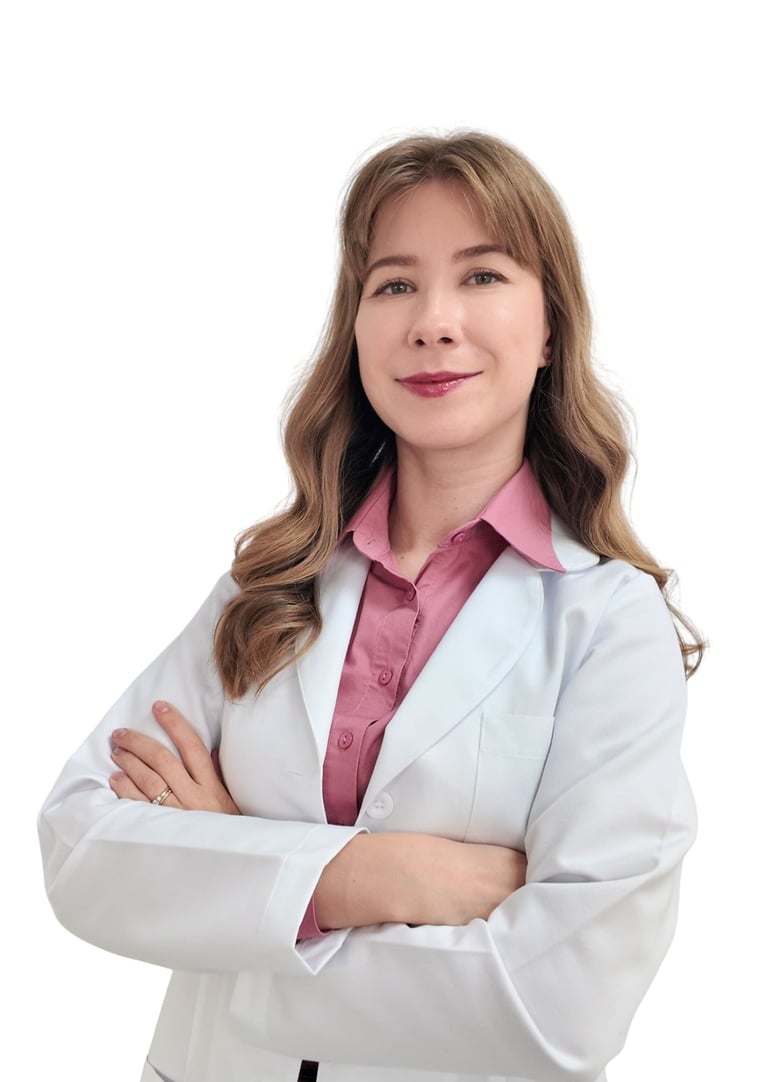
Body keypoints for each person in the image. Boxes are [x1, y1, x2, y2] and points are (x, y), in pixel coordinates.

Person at [38, 131, 703, 1082]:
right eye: (393, 285)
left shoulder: (609, 624)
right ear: (354, 327)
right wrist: (367, 876)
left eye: (482, 276)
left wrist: (239, 880)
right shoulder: (271, 587)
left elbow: (562, 1007)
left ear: (551, 328)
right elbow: (79, 844)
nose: (432, 322)